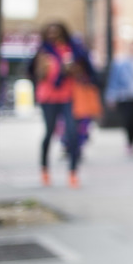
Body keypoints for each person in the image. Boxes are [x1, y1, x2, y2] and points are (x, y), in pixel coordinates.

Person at [32, 22, 91, 187]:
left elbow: (85, 67)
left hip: (67, 96)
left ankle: (73, 172)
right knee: (49, 132)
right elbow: (35, 73)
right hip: (48, 97)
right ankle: (44, 169)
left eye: (56, 33)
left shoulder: (71, 50)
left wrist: (72, 69)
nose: (53, 36)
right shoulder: (43, 51)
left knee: (73, 133)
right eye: (50, 33)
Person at [104, 37, 133, 156]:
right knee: (128, 120)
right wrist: (111, 96)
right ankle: (129, 142)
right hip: (125, 96)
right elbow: (114, 80)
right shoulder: (120, 62)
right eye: (131, 45)